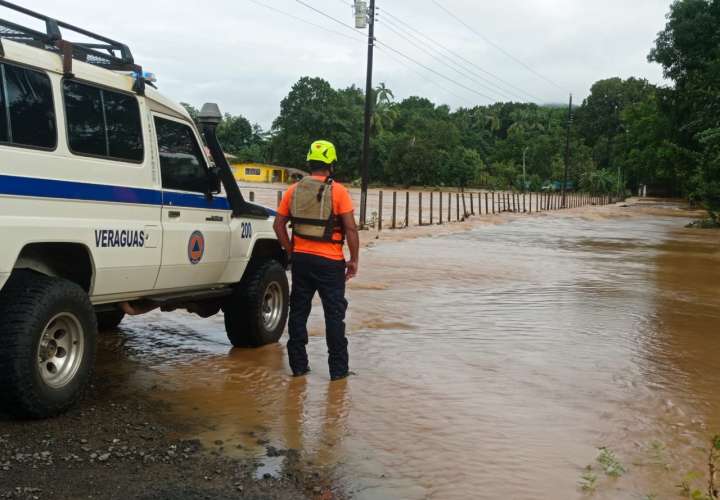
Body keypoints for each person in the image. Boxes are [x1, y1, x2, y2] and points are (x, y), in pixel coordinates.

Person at [273, 140, 360, 381]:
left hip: (301, 261)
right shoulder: (339, 191)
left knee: (299, 311)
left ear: (310, 163)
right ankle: (338, 372)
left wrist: (291, 250)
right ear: (331, 164)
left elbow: (278, 224)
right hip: (331, 263)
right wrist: (354, 260)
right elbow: (351, 230)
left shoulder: (293, 190)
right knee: (334, 315)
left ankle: (299, 367)